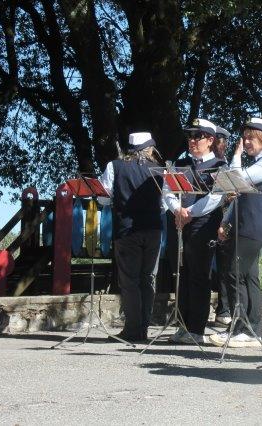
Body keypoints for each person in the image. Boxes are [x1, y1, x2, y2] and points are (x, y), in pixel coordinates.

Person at [209, 117, 262, 348]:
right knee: (248, 277)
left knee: (234, 273)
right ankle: (248, 329)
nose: (247, 142)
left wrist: (237, 156)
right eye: (245, 138)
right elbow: (238, 197)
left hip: (253, 227)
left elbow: (235, 181)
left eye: (251, 138)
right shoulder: (259, 163)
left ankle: (244, 328)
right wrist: (226, 222)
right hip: (244, 226)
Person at [164, 118, 226, 344]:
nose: (192, 140)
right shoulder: (179, 163)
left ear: (210, 140)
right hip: (179, 223)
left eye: (197, 136)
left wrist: (189, 212)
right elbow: (167, 190)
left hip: (203, 226)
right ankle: (182, 325)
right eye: (190, 136)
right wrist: (177, 209)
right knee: (181, 275)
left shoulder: (220, 166)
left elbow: (216, 198)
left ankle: (197, 329)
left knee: (199, 276)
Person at [99, 132, 164, 342]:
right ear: (149, 148)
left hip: (126, 231)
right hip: (153, 229)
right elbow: (165, 203)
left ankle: (132, 329)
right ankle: (143, 328)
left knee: (129, 281)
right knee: (148, 279)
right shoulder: (160, 170)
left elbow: (103, 199)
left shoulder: (115, 166)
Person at [211, 125, 233, 326]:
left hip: (222, 218)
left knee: (224, 266)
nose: (220, 145)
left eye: (222, 142)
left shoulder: (225, 165)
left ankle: (224, 308)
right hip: (207, 217)